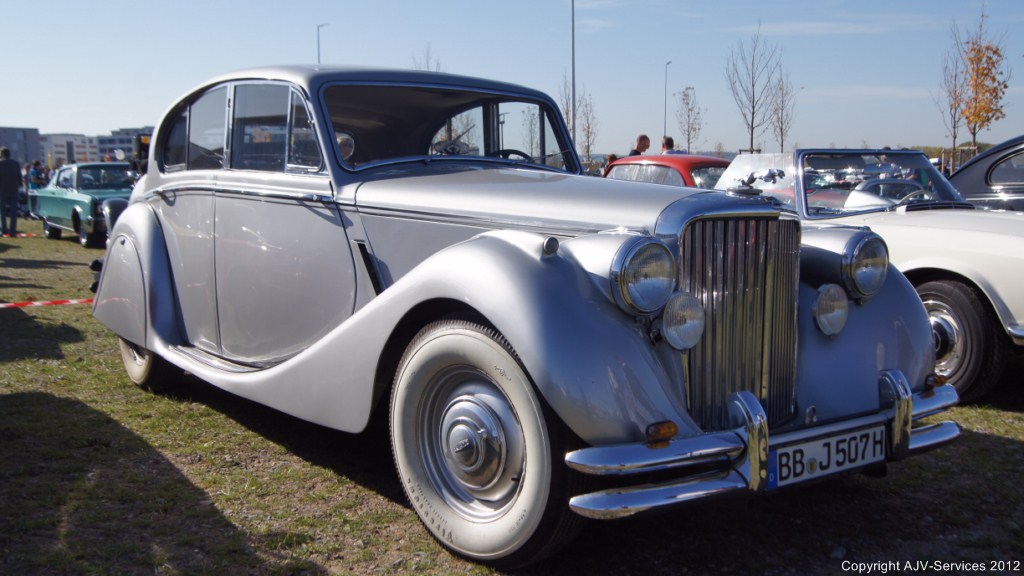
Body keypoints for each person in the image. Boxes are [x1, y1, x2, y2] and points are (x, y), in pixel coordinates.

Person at [0, 148, 23, 236]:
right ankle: (12, 230)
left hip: (2, 190)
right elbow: (19, 177)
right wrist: (19, 185)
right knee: (13, 212)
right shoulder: (16, 163)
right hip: (14, 190)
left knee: (2, 212)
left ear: (2, 154)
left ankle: (4, 229)